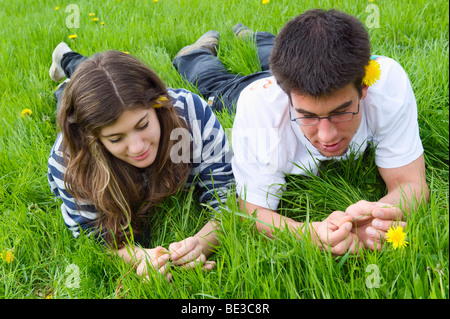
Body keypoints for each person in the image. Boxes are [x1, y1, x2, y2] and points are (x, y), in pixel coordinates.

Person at [173, 9, 429, 255]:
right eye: (307, 116)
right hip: (256, 92)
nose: (327, 136)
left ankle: (256, 37)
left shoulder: (386, 82)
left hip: (295, 79)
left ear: (364, 88)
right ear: (285, 96)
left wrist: (380, 212)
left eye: (341, 112)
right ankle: (194, 56)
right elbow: (252, 210)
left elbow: (410, 184)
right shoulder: (261, 109)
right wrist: (309, 233)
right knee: (221, 89)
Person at [47, 44, 235, 280]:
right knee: (66, 101)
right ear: (93, 139)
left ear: (158, 103)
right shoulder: (67, 160)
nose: (138, 148)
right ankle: (64, 88)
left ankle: (67, 61)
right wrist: (143, 258)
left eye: (143, 125)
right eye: (115, 138)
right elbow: (92, 233)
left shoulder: (192, 113)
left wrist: (201, 243)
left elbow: (227, 193)